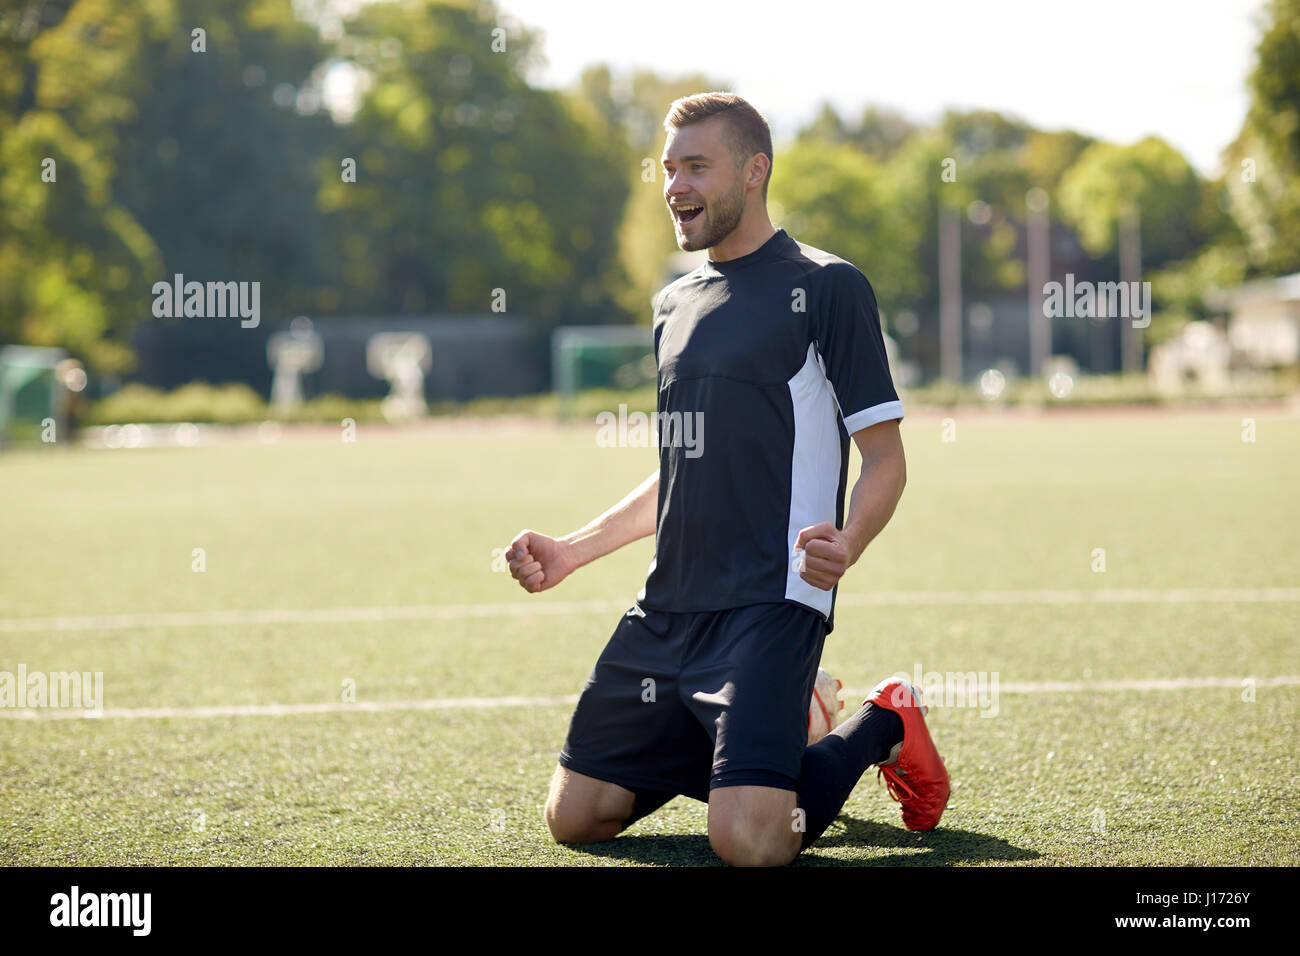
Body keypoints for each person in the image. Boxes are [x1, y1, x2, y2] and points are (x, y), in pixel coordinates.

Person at [507, 92, 948, 866]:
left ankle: (882, 720)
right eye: (670, 168)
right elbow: (682, 470)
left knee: (748, 842)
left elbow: (885, 455)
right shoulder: (673, 304)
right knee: (575, 817)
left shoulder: (829, 285)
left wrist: (848, 541)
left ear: (755, 170)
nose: (675, 184)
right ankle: (764, 736)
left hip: (770, 603)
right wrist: (575, 549)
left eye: (696, 167)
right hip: (670, 604)